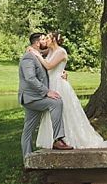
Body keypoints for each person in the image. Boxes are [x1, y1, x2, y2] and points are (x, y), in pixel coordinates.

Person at [29, 31, 107, 150]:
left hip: (59, 85)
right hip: (51, 85)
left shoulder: (61, 52)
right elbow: (38, 52)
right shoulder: (50, 51)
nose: (45, 40)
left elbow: (48, 65)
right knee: (52, 112)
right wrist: (33, 50)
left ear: (53, 40)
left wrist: (37, 55)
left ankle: (68, 138)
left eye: (47, 38)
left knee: (65, 111)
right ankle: (55, 139)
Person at [18, 32, 72, 160]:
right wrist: (46, 92)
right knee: (56, 102)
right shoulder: (28, 58)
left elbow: (52, 64)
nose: (45, 42)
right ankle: (58, 139)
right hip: (32, 98)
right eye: (43, 39)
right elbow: (30, 78)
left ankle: (27, 158)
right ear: (37, 43)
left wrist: (62, 72)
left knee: (28, 130)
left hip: (35, 98)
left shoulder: (39, 54)